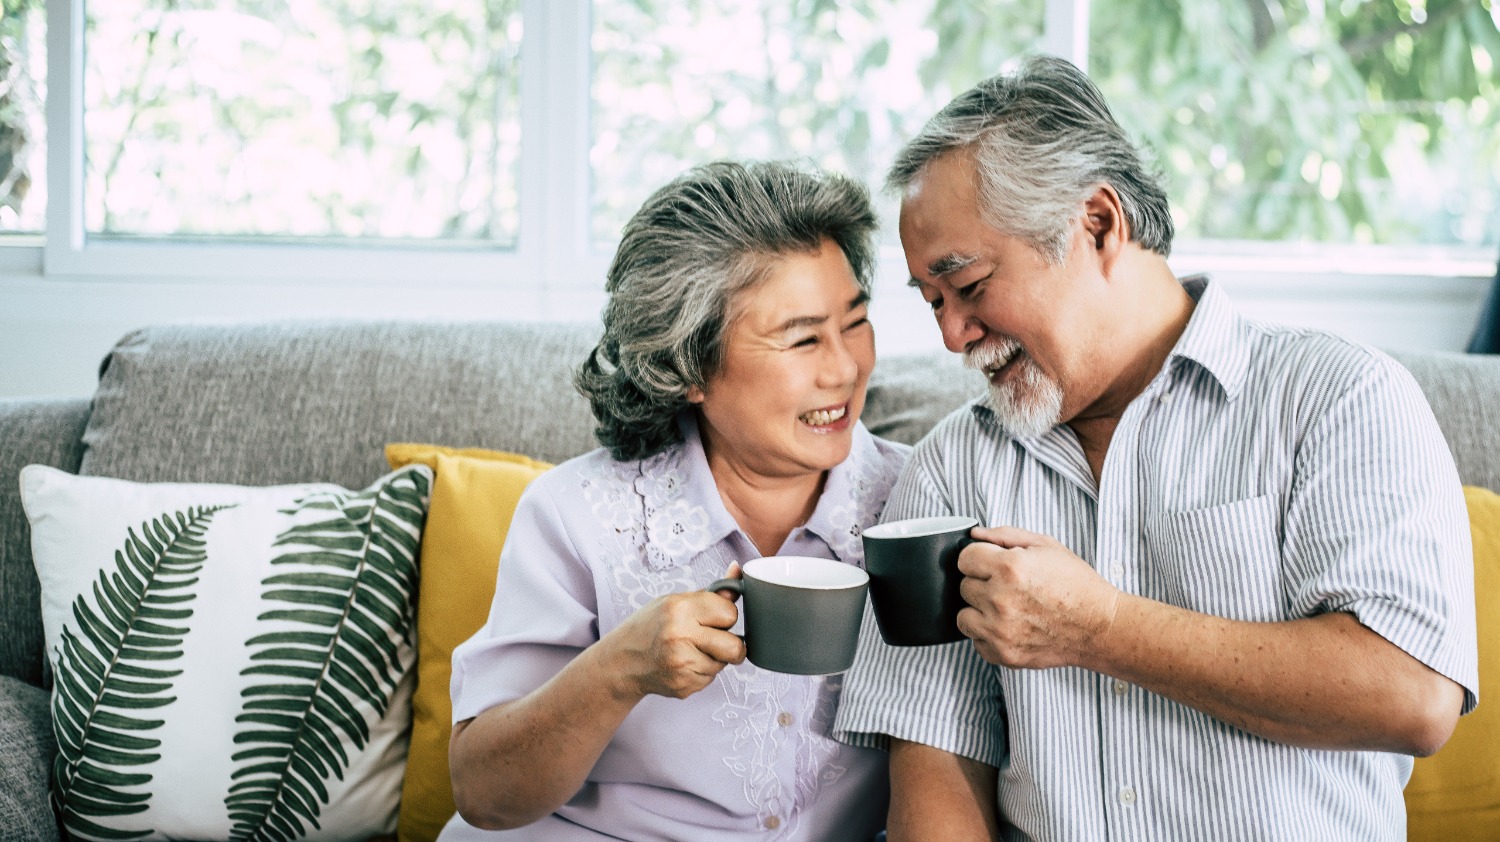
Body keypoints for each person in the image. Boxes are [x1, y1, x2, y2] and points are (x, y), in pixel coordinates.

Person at [832, 55, 1478, 841]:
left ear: (1099, 223)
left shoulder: (1337, 397)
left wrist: (1097, 627)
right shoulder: (951, 466)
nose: (951, 335)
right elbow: (936, 761)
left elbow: (1412, 696)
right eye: (932, 302)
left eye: (967, 286)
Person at [441, 160, 909, 841]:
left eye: (855, 322)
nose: (844, 368)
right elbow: (483, 794)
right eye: (802, 338)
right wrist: (620, 669)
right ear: (688, 366)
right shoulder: (575, 514)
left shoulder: (917, 505)